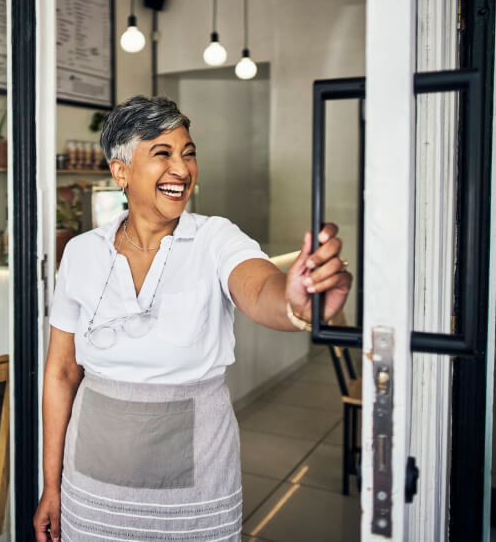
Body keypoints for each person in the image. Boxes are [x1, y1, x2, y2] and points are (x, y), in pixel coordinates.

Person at [33, 96, 352, 542]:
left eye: (188, 153)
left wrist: (296, 302)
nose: (182, 169)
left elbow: (260, 288)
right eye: (162, 154)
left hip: (193, 486)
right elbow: (62, 371)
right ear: (120, 171)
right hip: (91, 479)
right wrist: (51, 485)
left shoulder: (215, 238)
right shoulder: (82, 253)